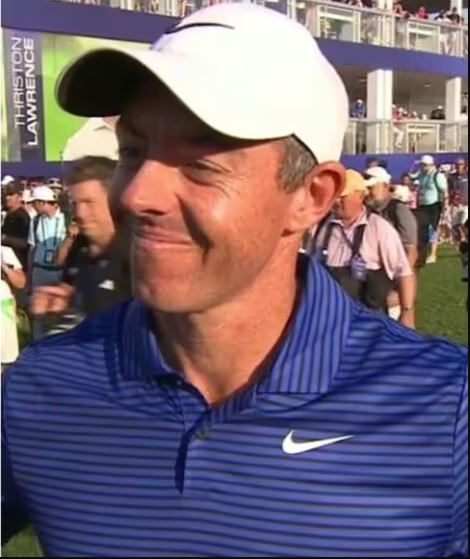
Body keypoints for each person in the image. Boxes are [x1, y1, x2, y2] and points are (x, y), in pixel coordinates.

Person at [2, 5, 467, 558]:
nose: (136, 194)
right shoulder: (41, 390)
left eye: (200, 164)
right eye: (133, 151)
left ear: (311, 197)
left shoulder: (444, 409)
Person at [31, 157, 132, 331]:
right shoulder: (79, 248)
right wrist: (58, 303)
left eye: (88, 203)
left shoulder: (139, 255)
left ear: (116, 200)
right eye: (75, 204)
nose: (79, 213)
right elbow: (69, 288)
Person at [311, 170, 415, 325]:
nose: (336, 201)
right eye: (334, 196)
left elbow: (404, 272)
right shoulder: (323, 227)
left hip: (368, 321)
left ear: (360, 196)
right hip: (327, 319)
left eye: (342, 196)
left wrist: (407, 313)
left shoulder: (379, 228)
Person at [364, 166, 418, 321]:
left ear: (386, 186)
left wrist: (399, 289)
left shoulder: (399, 211)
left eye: (371, 187)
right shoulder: (368, 212)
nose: (367, 192)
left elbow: (411, 252)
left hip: (393, 288)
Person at [27, 186, 68, 340]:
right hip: (40, 270)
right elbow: (32, 248)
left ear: (43, 202)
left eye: (34, 203)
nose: (32, 206)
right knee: (38, 312)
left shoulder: (66, 218)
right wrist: (30, 276)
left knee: (58, 311)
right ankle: (38, 344)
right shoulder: (36, 221)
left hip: (59, 271)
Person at [413, 155, 449, 265]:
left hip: (434, 206)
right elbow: (413, 178)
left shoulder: (438, 175)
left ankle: (433, 254)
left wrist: (446, 206)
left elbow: (444, 191)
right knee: (421, 229)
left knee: (432, 229)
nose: (421, 167)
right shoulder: (421, 174)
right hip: (423, 205)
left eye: (423, 165)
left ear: (429, 165)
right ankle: (421, 253)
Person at [1, 180, 31, 270]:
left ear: (19, 197)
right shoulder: (7, 214)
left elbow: (25, 243)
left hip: (17, 266)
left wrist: (3, 238)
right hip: (6, 263)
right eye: (6, 194)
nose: (7, 198)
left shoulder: (22, 217)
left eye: (11, 195)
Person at [448, 158, 468, 242]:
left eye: (461, 164)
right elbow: (448, 191)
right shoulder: (451, 177)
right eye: (457, 164)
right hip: (455, 204)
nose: (459, 166)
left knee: (464, 223)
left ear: (465, 166)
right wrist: (449, 202)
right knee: (455, 225)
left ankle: (465, 239)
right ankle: (458, 243)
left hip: (466, 204)